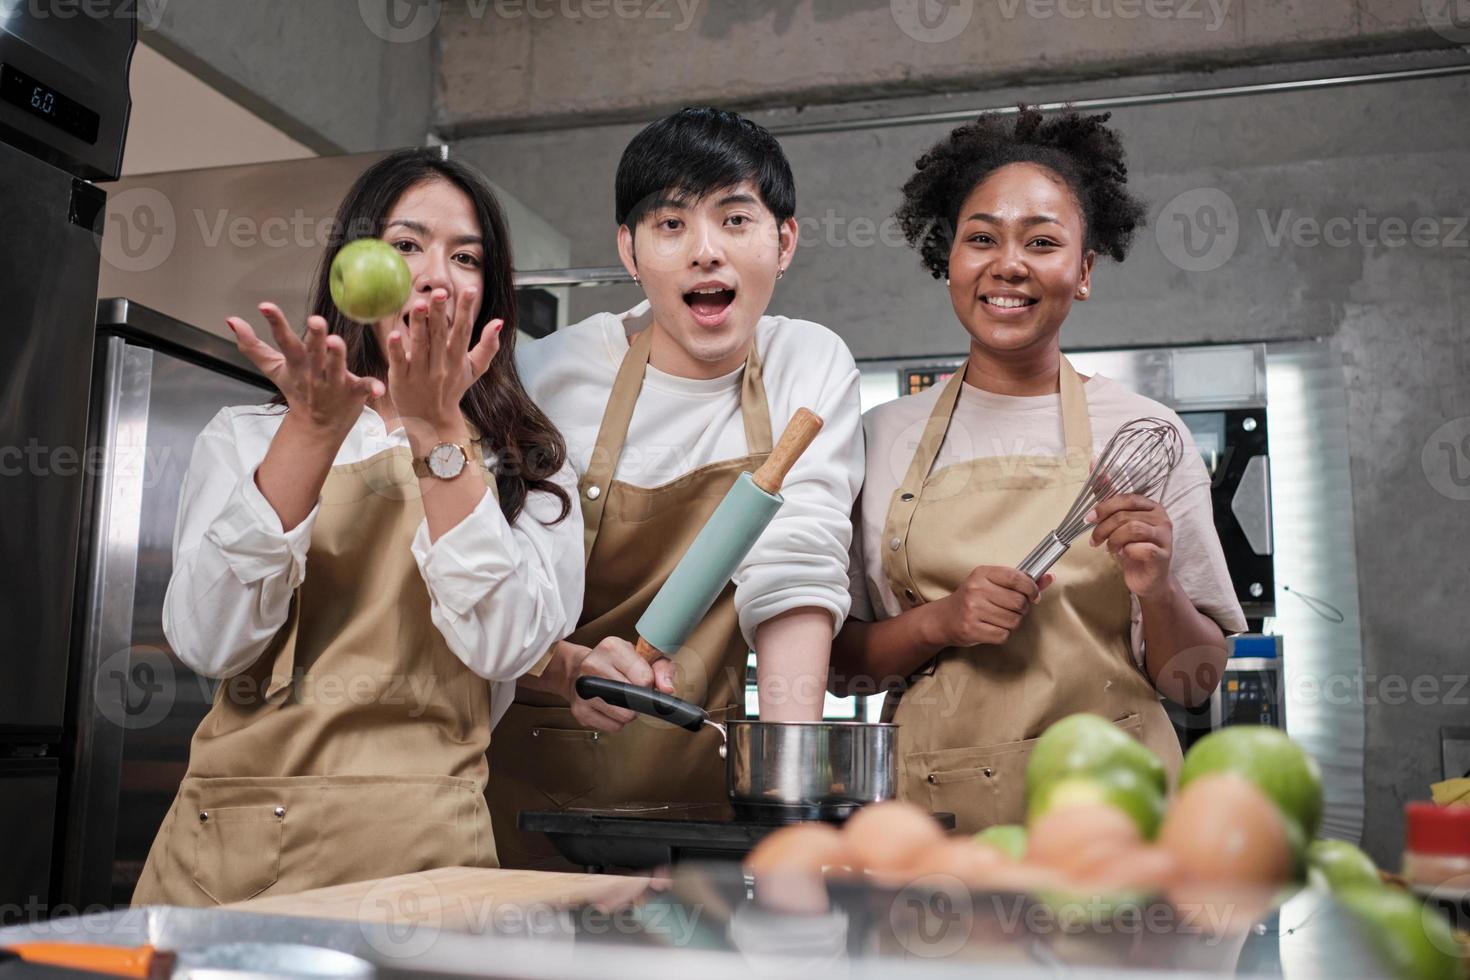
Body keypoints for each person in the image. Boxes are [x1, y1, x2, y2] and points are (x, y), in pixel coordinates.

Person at [132, 149, 583, 906]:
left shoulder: (529, 466)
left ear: (490, 295)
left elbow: (508, 645)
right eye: (406, 246)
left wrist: (440, 433)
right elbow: (209, 644)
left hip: (426, 866)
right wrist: (308, 434)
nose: (435, 275)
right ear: (356, 266)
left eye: (465, 257)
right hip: (228, 866)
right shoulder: (246, 438)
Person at [834, 108, 1247, 833]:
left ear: (1083, 272)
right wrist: (941, 620)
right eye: (982, 238)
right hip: (938, 834)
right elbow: (840, 672)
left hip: (1117, 834)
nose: (1009, 264)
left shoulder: (1145, 435)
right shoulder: (878, 439)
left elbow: (1195, 681)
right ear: (950, 259)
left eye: (1043, 242)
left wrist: (1159, 589)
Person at [490, 107, 864, 869]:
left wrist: (785, 799)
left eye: (735, 219)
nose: (705, 253)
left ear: (784, 241)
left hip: (698, 786)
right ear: (628, 250)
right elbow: (488, 588)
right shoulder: (546, 376)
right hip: (530, 776)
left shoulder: (809, 365)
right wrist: (568, 667)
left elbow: (797, 559)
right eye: (670, 225)